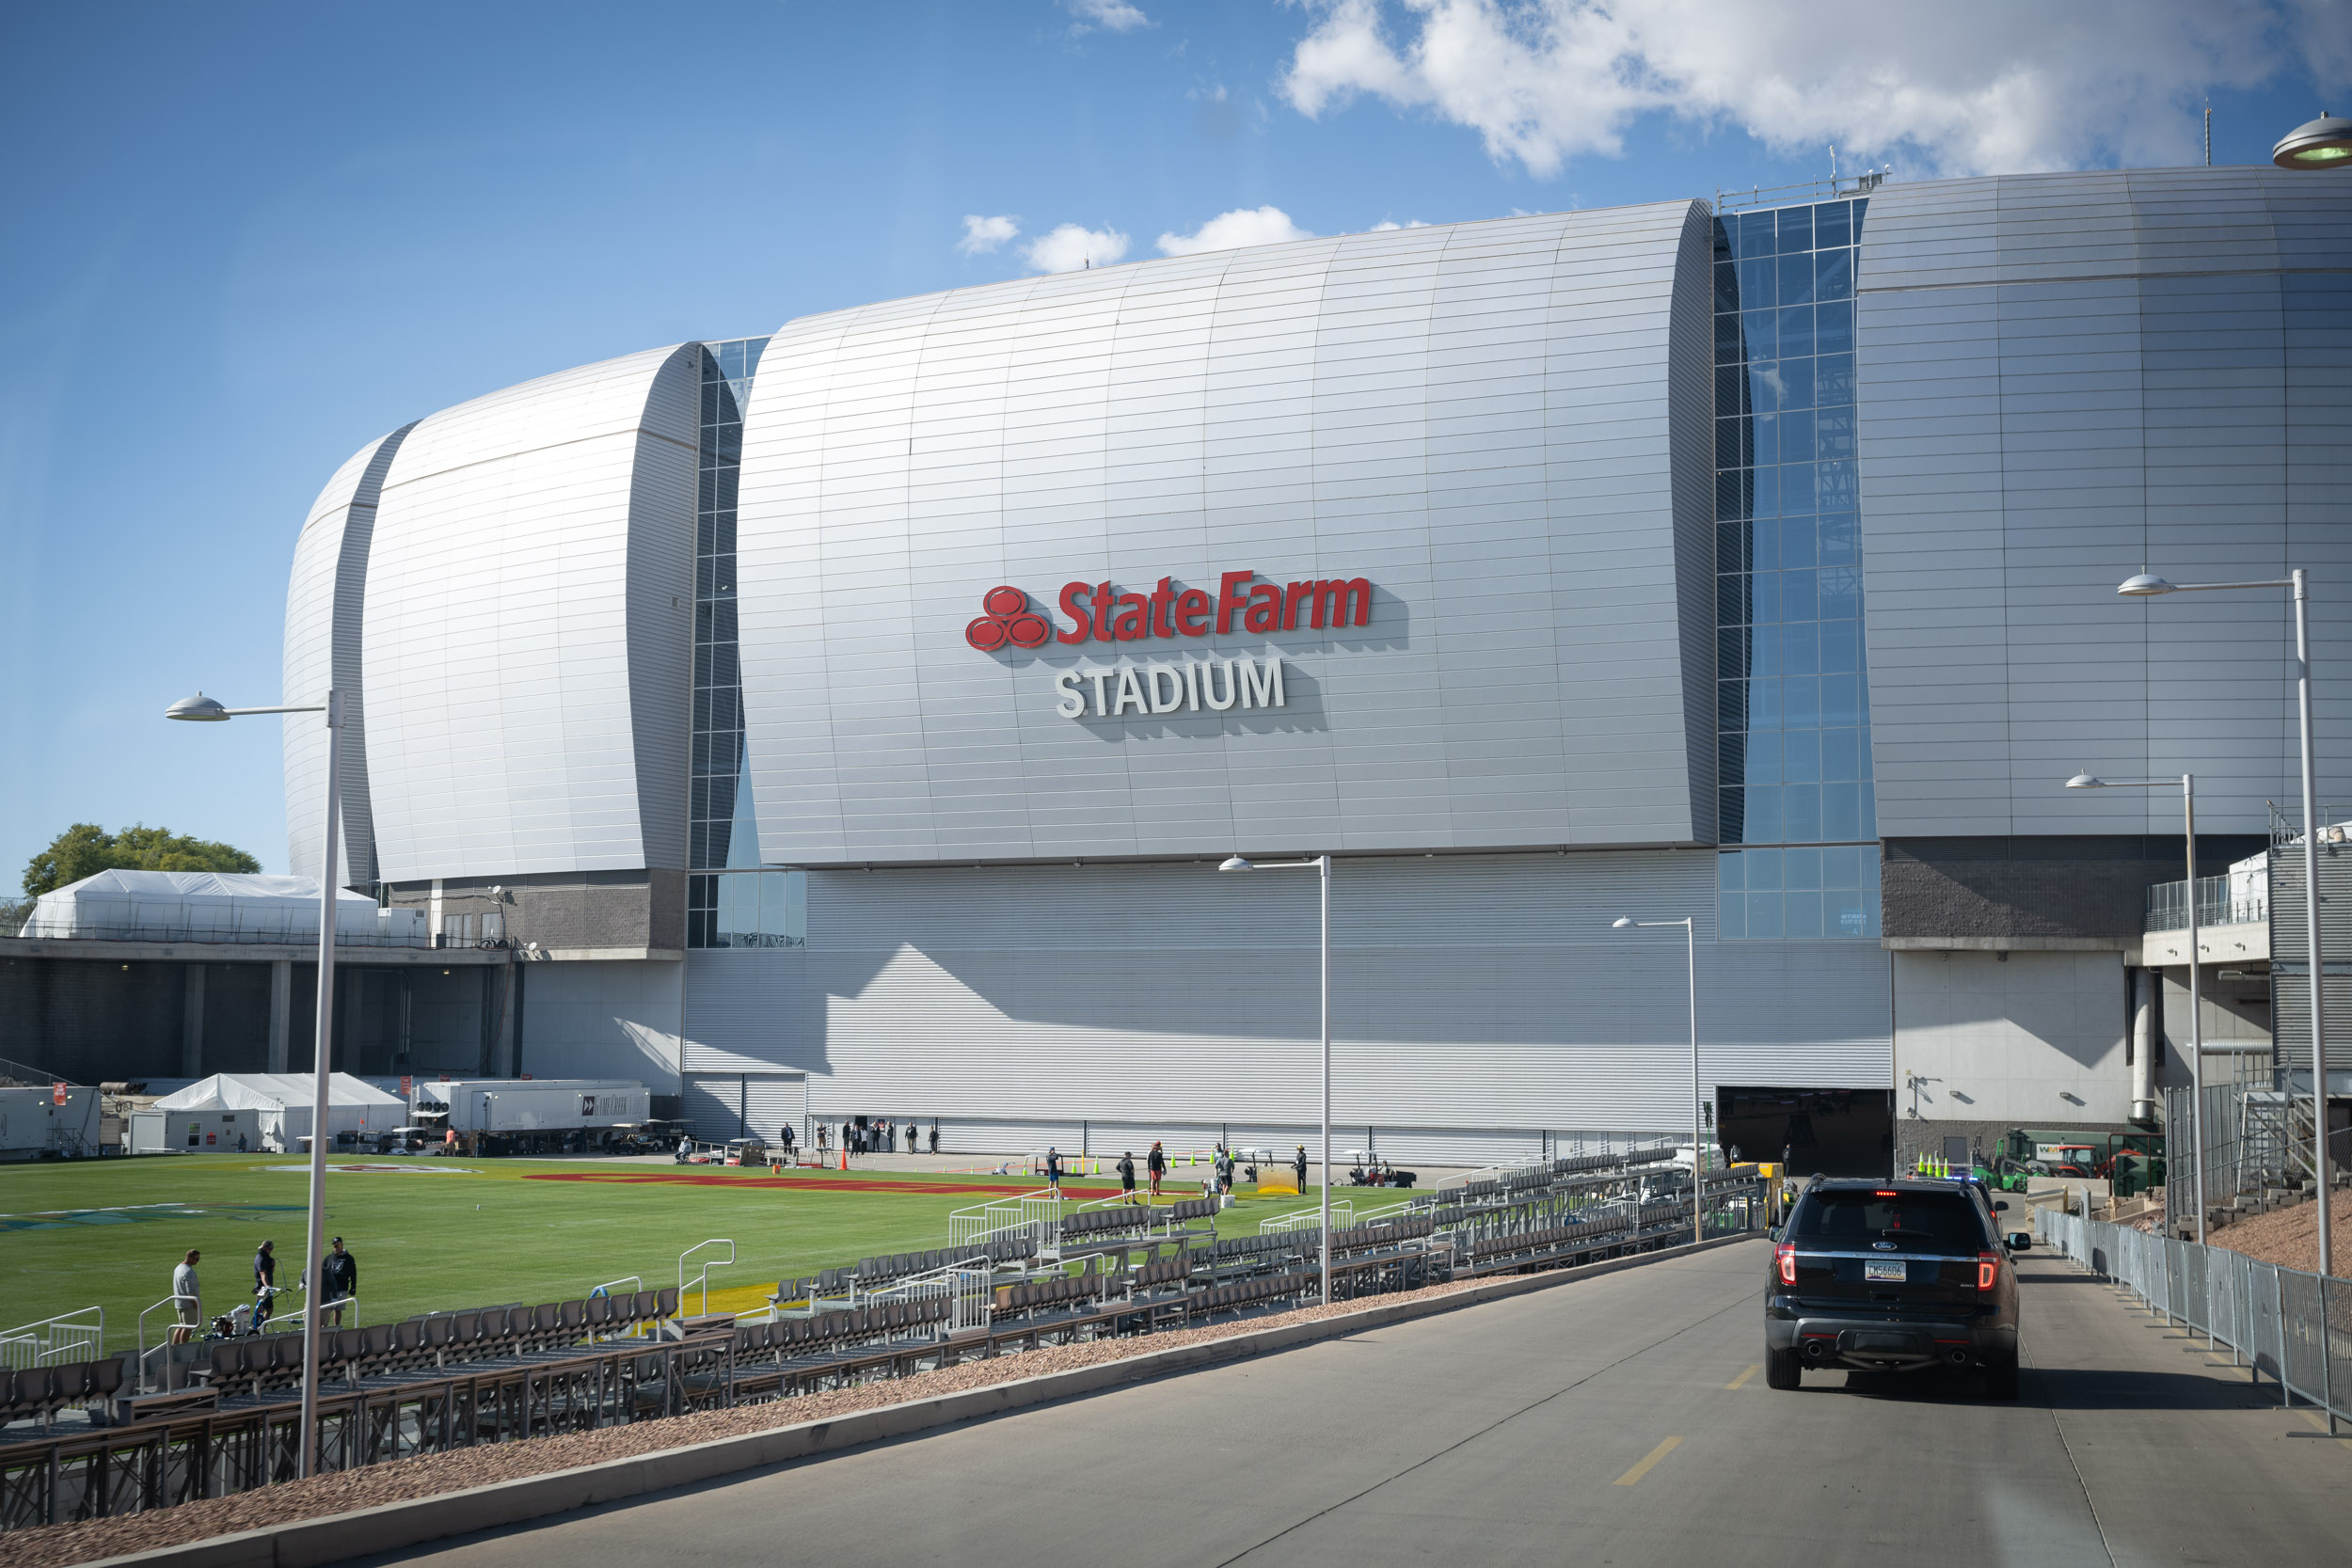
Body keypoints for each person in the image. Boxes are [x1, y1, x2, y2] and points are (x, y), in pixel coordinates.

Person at [322, 1237, 357, 1325]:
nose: (337, 1247)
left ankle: (336, 1329)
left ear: (342, 1245)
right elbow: (322, 1272)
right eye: (335, 1246)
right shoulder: (328, 1258)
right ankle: (323, 1328)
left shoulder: (349, 1259)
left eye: (338, 1245)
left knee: (338, 1310)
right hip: (329, 1289)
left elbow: (353, 1273)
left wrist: (353, 1287)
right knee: (327, 1310)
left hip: (342, 1287)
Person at [169, 1249, 201, 1344]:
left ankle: (173, 1347)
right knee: (188, 1327)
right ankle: (184, 1347)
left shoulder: (178, 1268)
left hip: (179, 1302)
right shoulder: (188, 1272)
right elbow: (191, 1291)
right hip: (188, 1304)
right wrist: (196, 1304)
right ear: (190, 1258)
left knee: (181, 1325)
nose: (197, 1262)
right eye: (196, 1259)